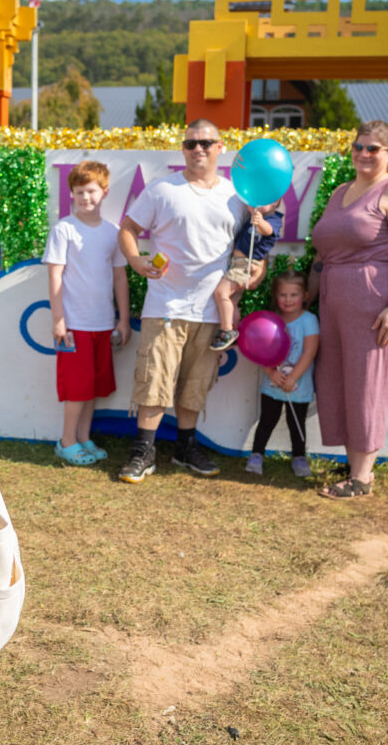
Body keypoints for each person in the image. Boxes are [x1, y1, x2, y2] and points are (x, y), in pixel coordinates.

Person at [116, 119, 247, 483]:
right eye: (191, 143)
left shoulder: (237, 196)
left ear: (221, 147)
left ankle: (185, 448)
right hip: (165, 307)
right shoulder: (162, 190)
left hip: (211, 312)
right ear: (183, 149)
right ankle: (143, 451)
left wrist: (251, 277)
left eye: (206, 143)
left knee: (196, 384)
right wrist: (135, 259)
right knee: (153, 381)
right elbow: (128, 229)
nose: (199, 149)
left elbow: (251, 248)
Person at [309, 120, 388, 498]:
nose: (363, 154)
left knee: (366, 383)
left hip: (375, 301)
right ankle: (355, 464)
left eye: (373, 149)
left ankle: (361, 479)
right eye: (358, 146)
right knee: (338, 381)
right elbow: (324, 251)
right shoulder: (342, 191)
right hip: (334, 299)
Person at [43, 160, 131, 466]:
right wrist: (59, 320)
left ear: (104, 192)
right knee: (77, 390)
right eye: (78, 192)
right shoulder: (64, 229)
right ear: (72, 194)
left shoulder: (113, 232)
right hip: (73, 326)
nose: (85, 197)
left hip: (103, 324)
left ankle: (83, 437)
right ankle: (66, 441)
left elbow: (120, 276)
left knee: (93, 388)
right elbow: (55, 276)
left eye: (91, 191)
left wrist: (123, 319)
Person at [246, 269, 319, 478]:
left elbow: (310, 351)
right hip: (273, 384)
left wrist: (293, 377)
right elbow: (259, 349)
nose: (288, 300)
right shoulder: (270, 320)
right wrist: (270, 373)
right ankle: (257, 454)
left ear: (304, 296)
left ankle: (299, 457)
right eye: (283, 295)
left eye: (294, 295)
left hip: (299, 385)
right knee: (267, 420)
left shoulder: (309, 320)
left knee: (296, 423)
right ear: (276, 296)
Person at [210, 200, 283, 351]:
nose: (256, 203)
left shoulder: (272, 219)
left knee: (221, 293)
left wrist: (260, 223)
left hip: (244, 265)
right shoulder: (252, 217)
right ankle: (234, 329)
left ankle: (227, 331)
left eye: (264, 199)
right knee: (232, 301)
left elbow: (268, 231)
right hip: (238, 263)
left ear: (276, 202)